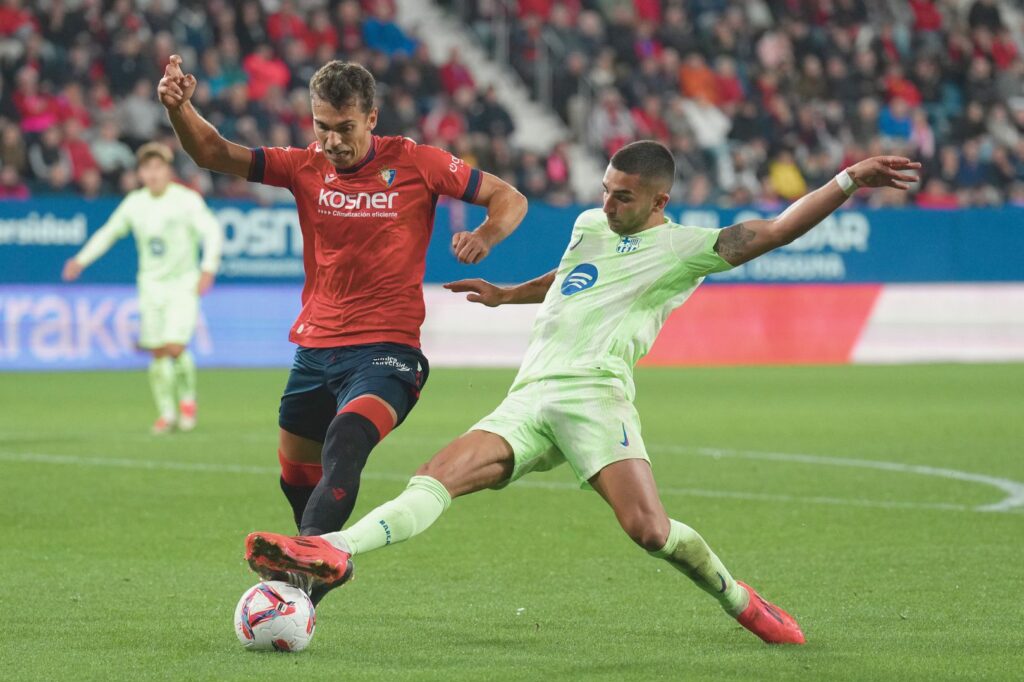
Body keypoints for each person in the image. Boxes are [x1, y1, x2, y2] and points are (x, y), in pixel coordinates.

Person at [244, 141, 920, 644]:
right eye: (605, 189)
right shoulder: (590, 227)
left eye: (623, 196)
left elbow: (773, 230)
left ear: (658, 201)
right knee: (435, 476)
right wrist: (509, 294)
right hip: (531, 392)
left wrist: (848, 179)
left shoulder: (687, 248)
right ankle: (333, 551)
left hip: (596, 398)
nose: (607, 202)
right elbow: (573, 275)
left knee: (649, 531)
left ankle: (741, 598)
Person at [157, 56, 527, 603]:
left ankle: (306, 568)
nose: (331, 141)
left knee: (346, 439)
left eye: (344, 128)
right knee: (295, 476)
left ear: (371, 119)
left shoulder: (419, 162)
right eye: (321, 126)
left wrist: (487, 235)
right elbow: (212, 152)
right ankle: (318, 564)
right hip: (315, 349)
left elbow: (508, 197)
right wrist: (180, 108)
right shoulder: (302, 165)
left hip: (388, 350)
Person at [62, 142, 222, 434]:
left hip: (182, 284)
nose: (152, 174)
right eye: (146, 168)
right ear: (140, 172)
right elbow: (108, 233)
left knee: (175, 346)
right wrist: (81, 260)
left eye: (158, 167)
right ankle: (166, 413)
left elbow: (211, 231)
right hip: (150, 285)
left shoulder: (186, 200)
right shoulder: (136, 203)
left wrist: (208, 267)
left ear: (168, 170)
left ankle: (187, 400)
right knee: (158, 351)